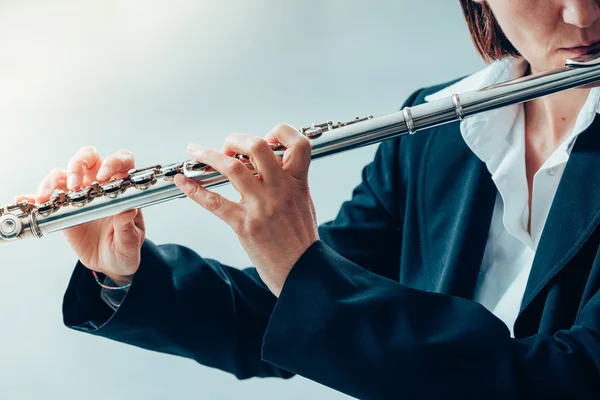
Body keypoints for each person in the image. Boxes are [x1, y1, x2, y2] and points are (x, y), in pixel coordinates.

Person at [16, 0, 600, 398]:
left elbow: (565, 378)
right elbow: (286, 314)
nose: (582, 14)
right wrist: (124, 274)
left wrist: (303, 269)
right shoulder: (436, 133)